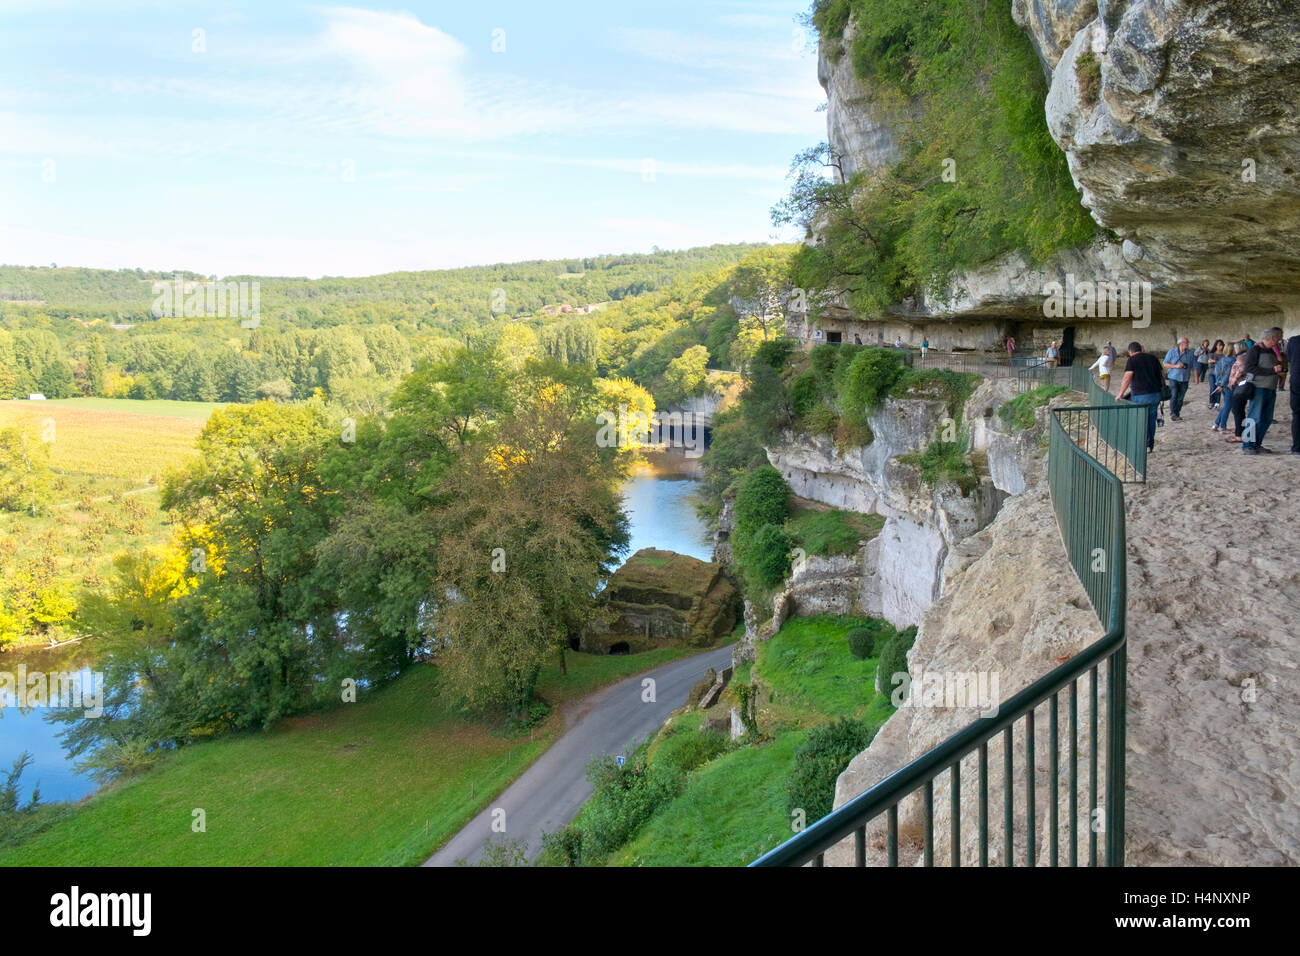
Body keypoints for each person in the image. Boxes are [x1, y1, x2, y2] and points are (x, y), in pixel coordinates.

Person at [1240, 327, 1285, 454]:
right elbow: (1249, 368)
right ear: (1272, 338)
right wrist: (1272, 371)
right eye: (1279, 337)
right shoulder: (1255, 350)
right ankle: (1247, 445)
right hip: (1258, 388)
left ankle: (1257, 444)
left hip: (1270, 388)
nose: (1280, 339)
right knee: (1254, 417)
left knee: (1266, 418)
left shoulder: (1271, 351)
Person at [1117, 341, 1164, 452]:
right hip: (1155, 394)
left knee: (1139, 420)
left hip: (1140, 395)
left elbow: (1127, 377)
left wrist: (1121, 393)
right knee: (1151, 420)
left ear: (1130, 351)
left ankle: (1140, 444)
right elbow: (1162, 374)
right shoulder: (1153, 358)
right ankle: (1149, 444)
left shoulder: (1132, 360)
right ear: (1141, 349)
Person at [1162, 337, 1196, 421]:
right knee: (1174, 395)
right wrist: (1176, 366)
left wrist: (1196, 377)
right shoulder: (1171, 352)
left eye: (1188, 343)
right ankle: (1173, 413)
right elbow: (1165, 364)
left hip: (1185, 379)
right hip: (1173, 377)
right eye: (1186, 342)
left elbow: (1194, 366)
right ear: (1181, 344)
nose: (1188, 344)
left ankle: (1177, 413)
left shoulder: (1190, 353)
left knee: (1180, 397)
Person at [1210, 343, 1240, 430]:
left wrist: (1219, 384)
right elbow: (1227, 375)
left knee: (1227, 404)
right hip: (1228, 385)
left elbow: (1217, 373)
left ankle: (1216, 424)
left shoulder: (1221, 360)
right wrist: (1222, 385)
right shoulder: (1233, 361)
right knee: (1228, 405)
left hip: (1222, 385)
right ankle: (1223, 426)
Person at [1289, 331, 1300, 456]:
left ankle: (1297, 447)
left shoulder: (1293, 341)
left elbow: (1290, 359)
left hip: (1296, 379)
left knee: (1297, 414)